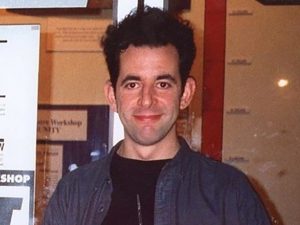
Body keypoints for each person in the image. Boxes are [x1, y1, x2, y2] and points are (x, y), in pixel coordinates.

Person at [42, 6, 271, 225]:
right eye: (132, 84)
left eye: (162, 84)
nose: (147, 99)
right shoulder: (73, 194)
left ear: (186, 93)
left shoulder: (228, 193)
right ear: (112, 95)